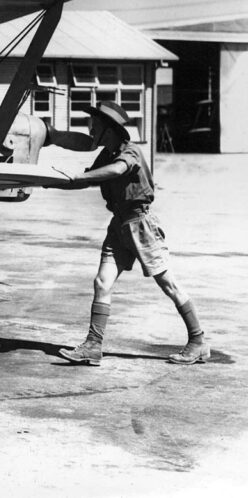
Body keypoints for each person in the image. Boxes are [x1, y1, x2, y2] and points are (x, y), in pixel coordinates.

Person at [55, 101, 209, 366]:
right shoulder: (106, 154)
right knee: (102, 282)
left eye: (95, 125)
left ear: (109, 129)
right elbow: (88, 178)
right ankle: (93, 345)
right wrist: (49, 182)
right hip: (119, 226)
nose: (91, 130)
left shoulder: (130, 152)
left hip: (141, 225)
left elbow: (116, 170)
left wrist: (77, 177)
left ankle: (198, 342)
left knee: (168, 284)